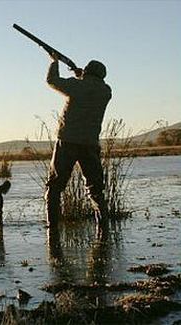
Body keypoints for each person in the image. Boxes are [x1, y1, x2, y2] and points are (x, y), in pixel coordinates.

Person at [45, 52, 112, 231]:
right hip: (90, 144)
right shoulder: (106, 91)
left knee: (55, 187)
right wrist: (81, 76)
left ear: (87, 72)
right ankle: (103, 228)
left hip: (67, 142)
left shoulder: (77, 86)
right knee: (95, 189)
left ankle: (52, 229)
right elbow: (90, 86)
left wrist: (54, 61)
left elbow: (52, 80)